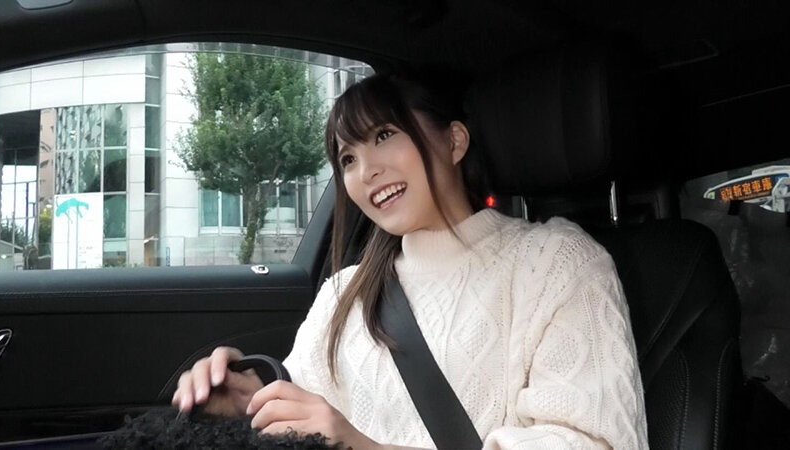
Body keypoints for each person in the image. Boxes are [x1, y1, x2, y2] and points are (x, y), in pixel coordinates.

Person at [172, 74, 648, 449]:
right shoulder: (344, 292)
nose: (366, 171)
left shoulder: (558, 265)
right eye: (348, 159)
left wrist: (365, 447)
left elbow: (590, 442)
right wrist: (248, 398)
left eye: (384, 135)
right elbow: (307, 406)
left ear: (454, 142)